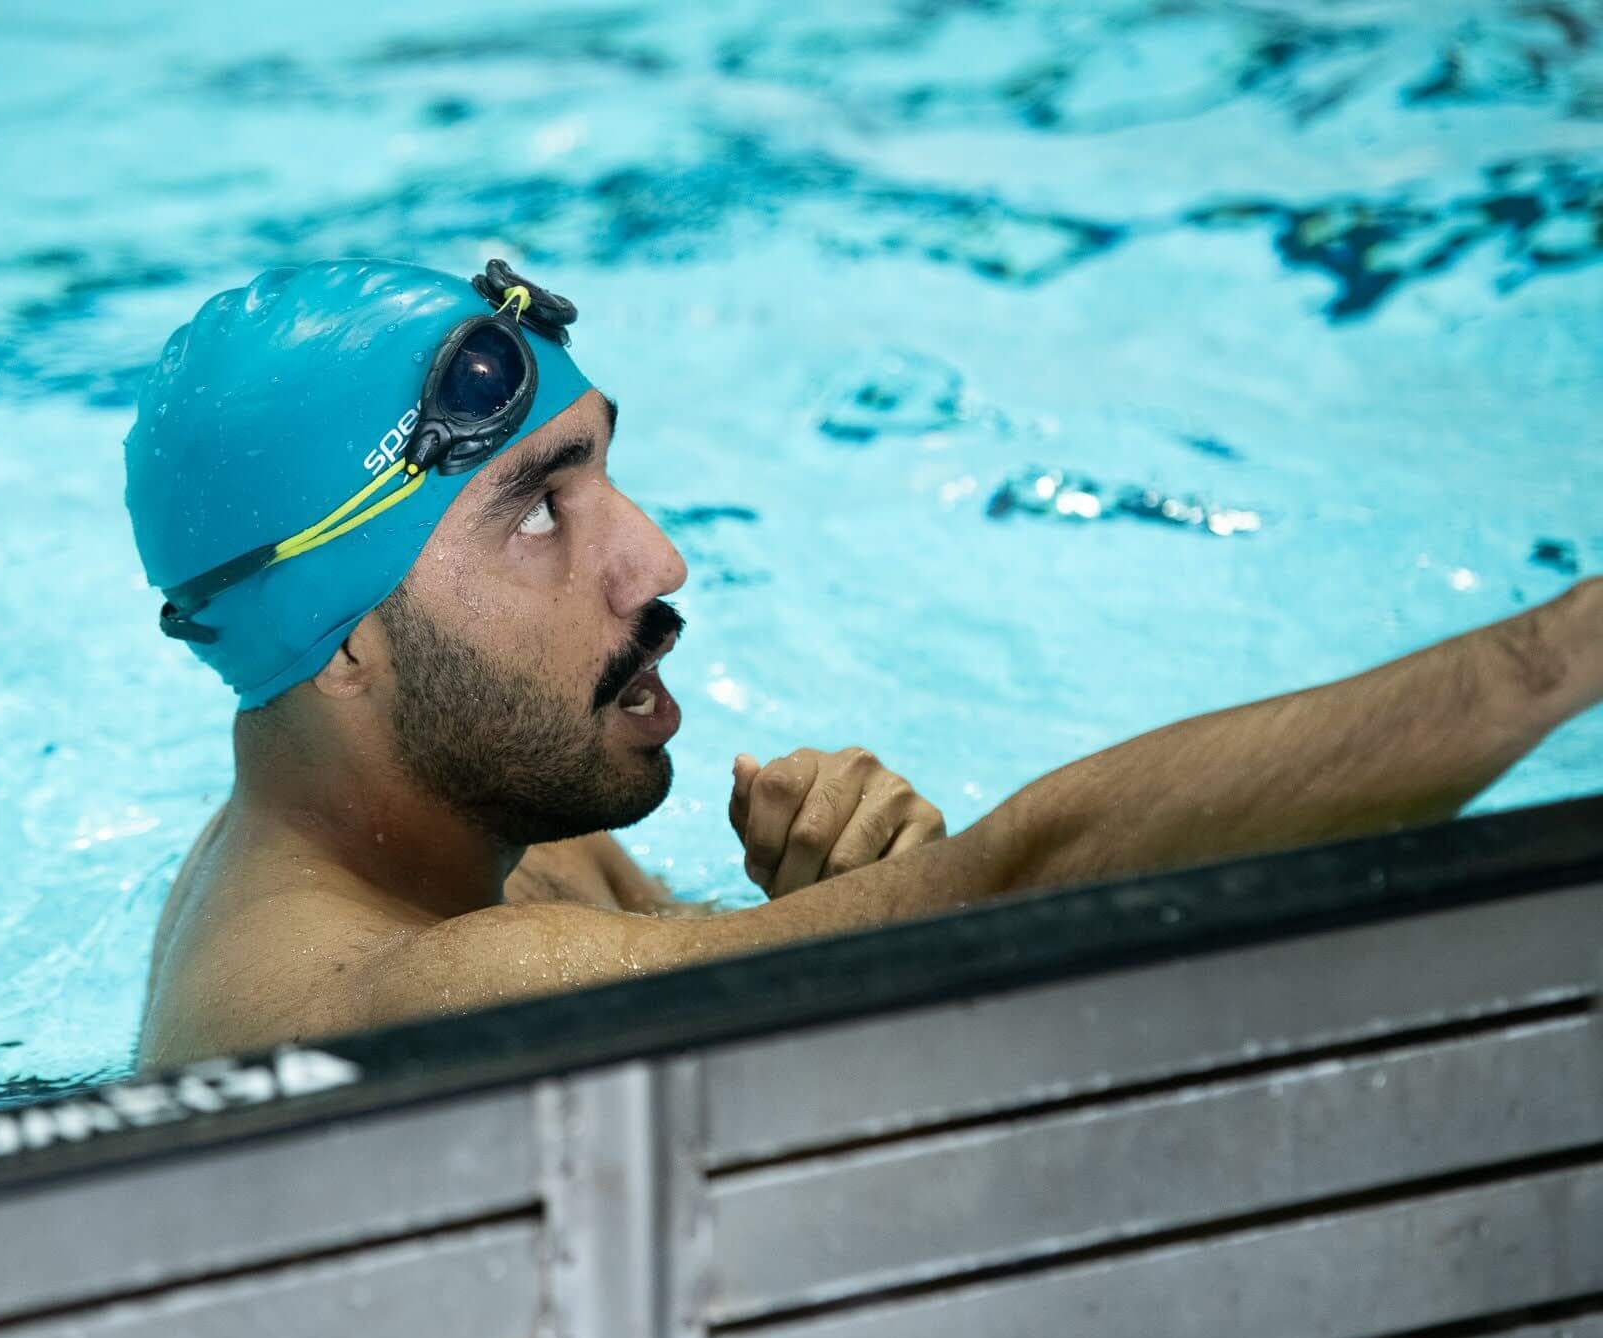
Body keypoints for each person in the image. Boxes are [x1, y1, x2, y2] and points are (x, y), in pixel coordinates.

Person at [123, 258, 1602, 1069]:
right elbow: (1027, 894)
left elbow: (736, 970)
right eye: (534, 512)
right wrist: (1566, 648)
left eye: (601, 471)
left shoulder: (442, 832)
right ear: (346, 648)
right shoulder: (408, 1008)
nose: (652, 561)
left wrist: (826, 918)